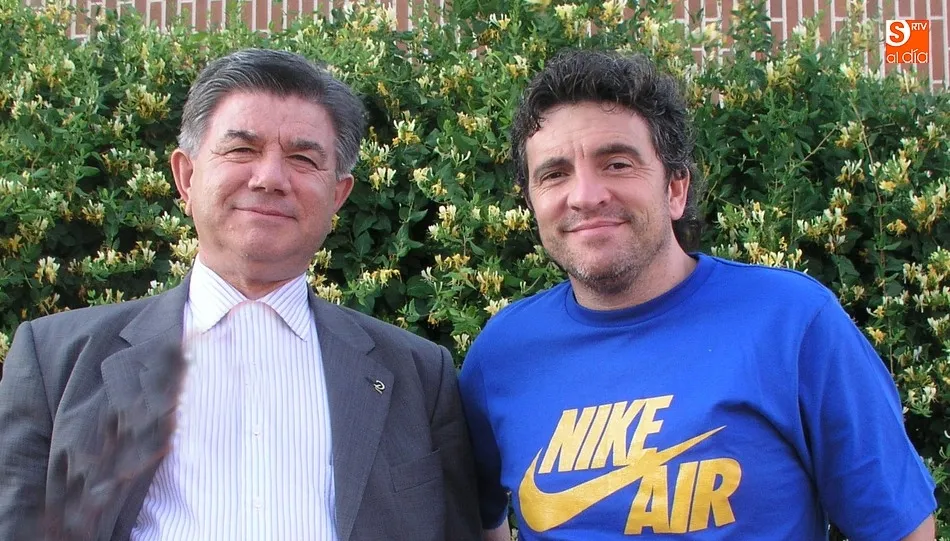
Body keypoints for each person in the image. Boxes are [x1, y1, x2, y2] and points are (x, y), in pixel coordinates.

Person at [0, 48, 480, 541]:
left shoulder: (419, 376)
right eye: (241, 150)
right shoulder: (58, 362)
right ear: (186, 177)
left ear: (338, 195)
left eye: (302, 158)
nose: (270, 178)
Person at [458, 49, 937, 541]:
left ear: (675, 189)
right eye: (554, 174)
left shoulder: (792, 323)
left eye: (617, 163)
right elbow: (475, 516)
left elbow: (901, 530)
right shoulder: (503, 354)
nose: (585, 195)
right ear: (532, 201)